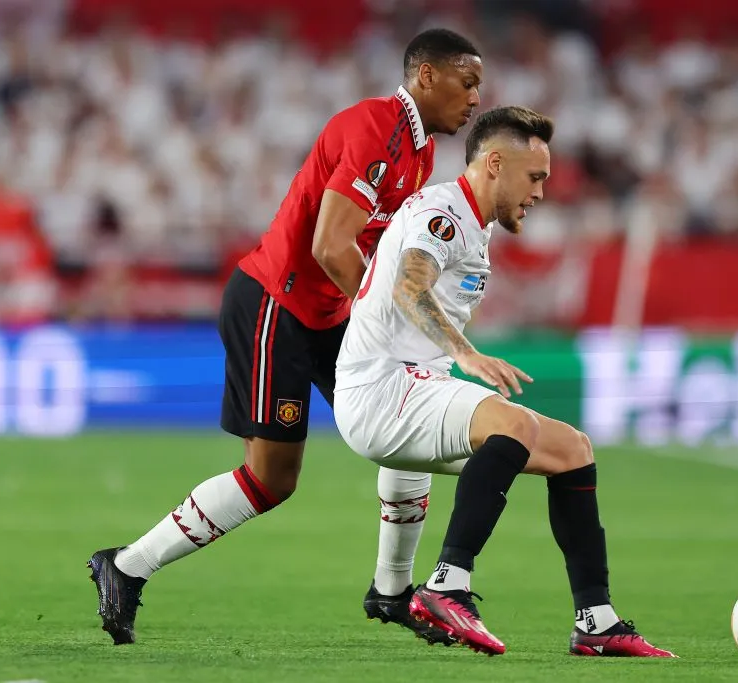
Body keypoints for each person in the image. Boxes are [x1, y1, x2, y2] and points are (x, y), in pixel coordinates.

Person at [87, 28, 483, 646]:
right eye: (468, 81)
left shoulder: (420, 149)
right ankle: (126, 564)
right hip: (279, 303)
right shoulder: (373, 127)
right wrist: (397, 314)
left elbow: (374, 252)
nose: (476, 98)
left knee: (406, 418)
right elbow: (330, 246)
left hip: (329, 310)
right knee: (272, 479)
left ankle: (392, 590)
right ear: (426, 77)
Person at [333, 106, 677, 657]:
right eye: (534, 177)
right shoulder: (443, 212)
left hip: (414, 386)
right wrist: (464, 353)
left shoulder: (477, 223)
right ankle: (448, 584)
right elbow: (408, 286)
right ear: (494, 163)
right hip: (383, 390)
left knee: (572, 450)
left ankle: (597, 619)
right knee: (512, 424)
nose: (540, 192)